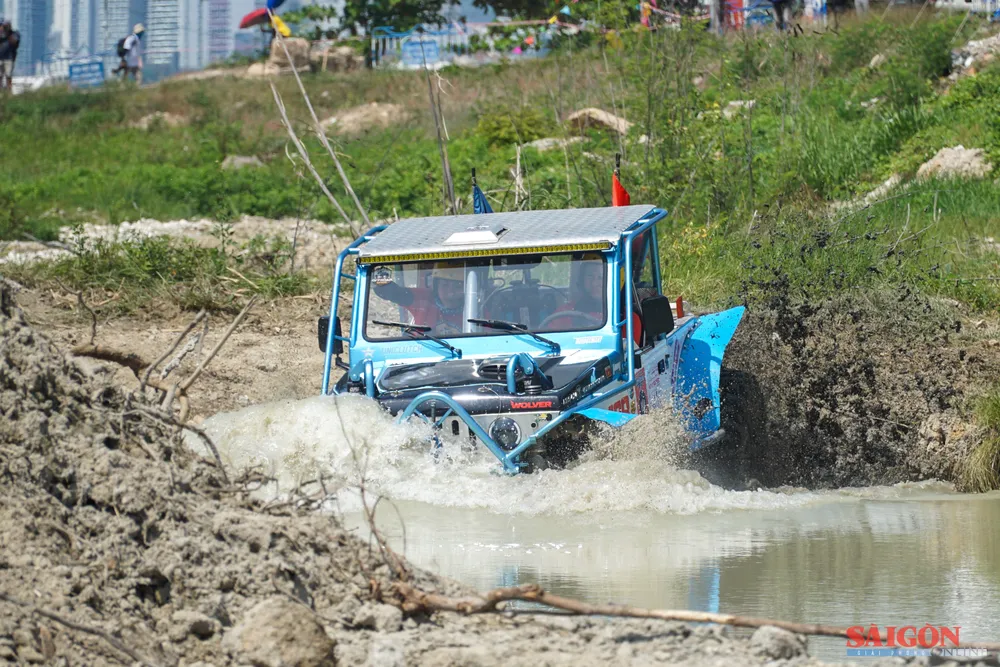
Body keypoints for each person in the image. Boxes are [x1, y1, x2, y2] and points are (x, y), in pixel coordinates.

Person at [373, 263, 466, 335]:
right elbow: (396, 293)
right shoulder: (424, 299)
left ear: (467, 288)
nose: (451, 292)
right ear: (436, 285)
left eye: (458, 286)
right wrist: (381, 279)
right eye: (445, 285)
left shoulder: (475, 308)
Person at [0, 21, 19, 94]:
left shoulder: (15, 34)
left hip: (9, 58)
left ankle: (9, 92)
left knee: (8, 75)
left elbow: (14, 42)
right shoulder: (1, 34)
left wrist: (8, 33)